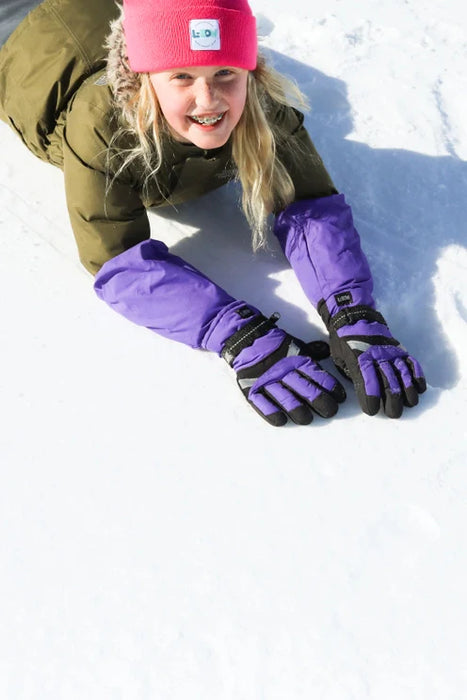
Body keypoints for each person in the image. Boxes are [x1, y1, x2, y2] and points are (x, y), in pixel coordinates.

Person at [0, 0, 426, 426]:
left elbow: (309, 206)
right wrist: (237, 334)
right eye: (182, 77)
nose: (208, 101)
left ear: (249, 73)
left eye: (225, 72)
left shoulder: (260, 106)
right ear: (145, 80)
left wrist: (350, 309)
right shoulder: (103, 121)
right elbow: (117, 258)